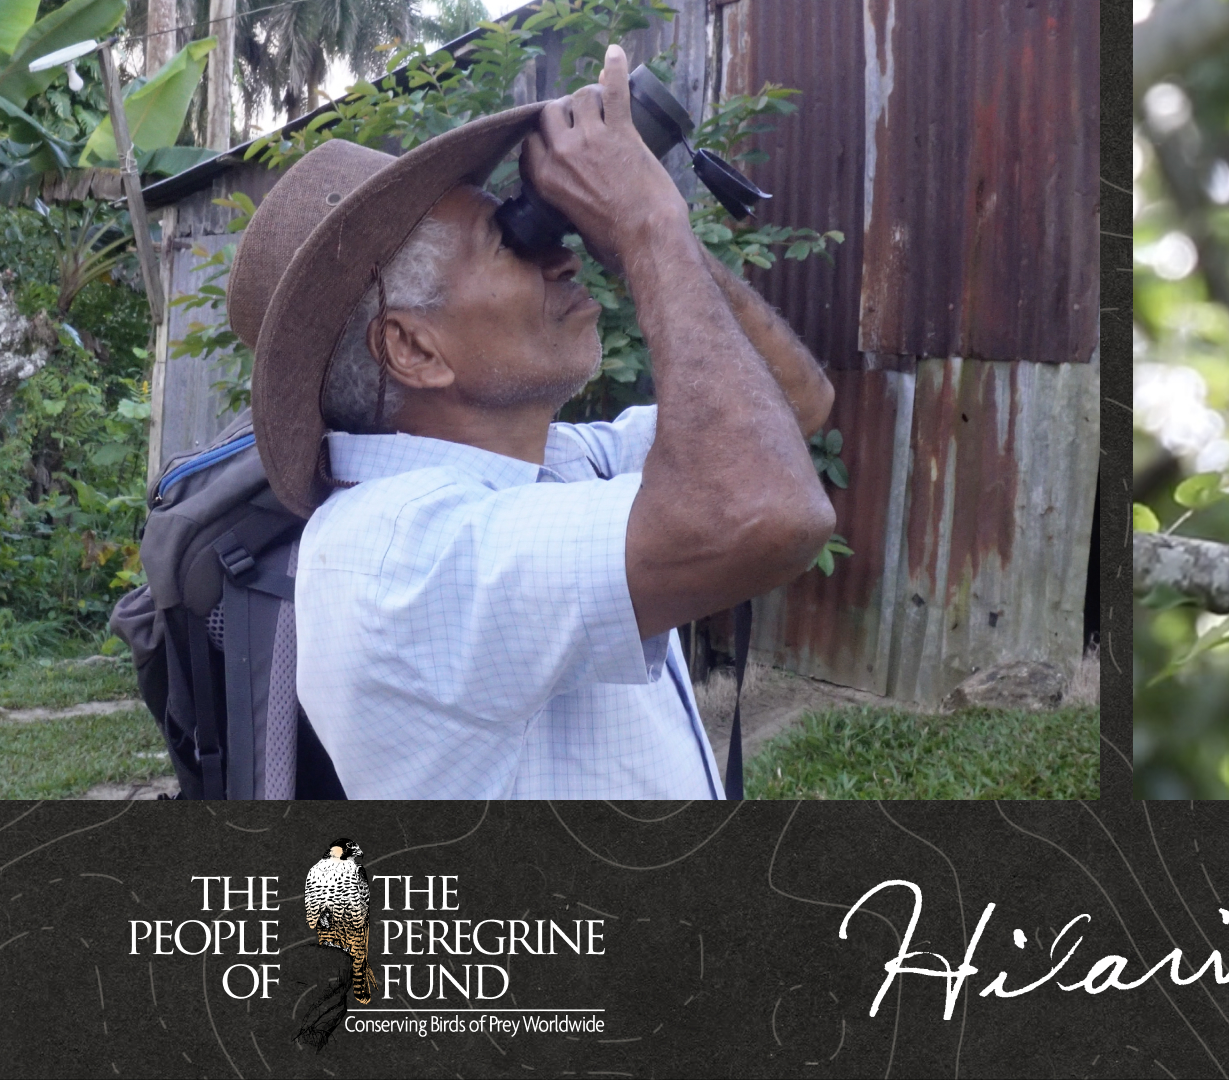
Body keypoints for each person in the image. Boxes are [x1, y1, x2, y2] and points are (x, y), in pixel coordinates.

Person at [226, 44, 834, 798]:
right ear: (413, 349)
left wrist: (628, 238)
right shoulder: (396, 555)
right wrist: (649, 228)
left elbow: (793, 407)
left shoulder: (554, 465)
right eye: (511, 241)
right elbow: (767, 510)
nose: (564, 257)